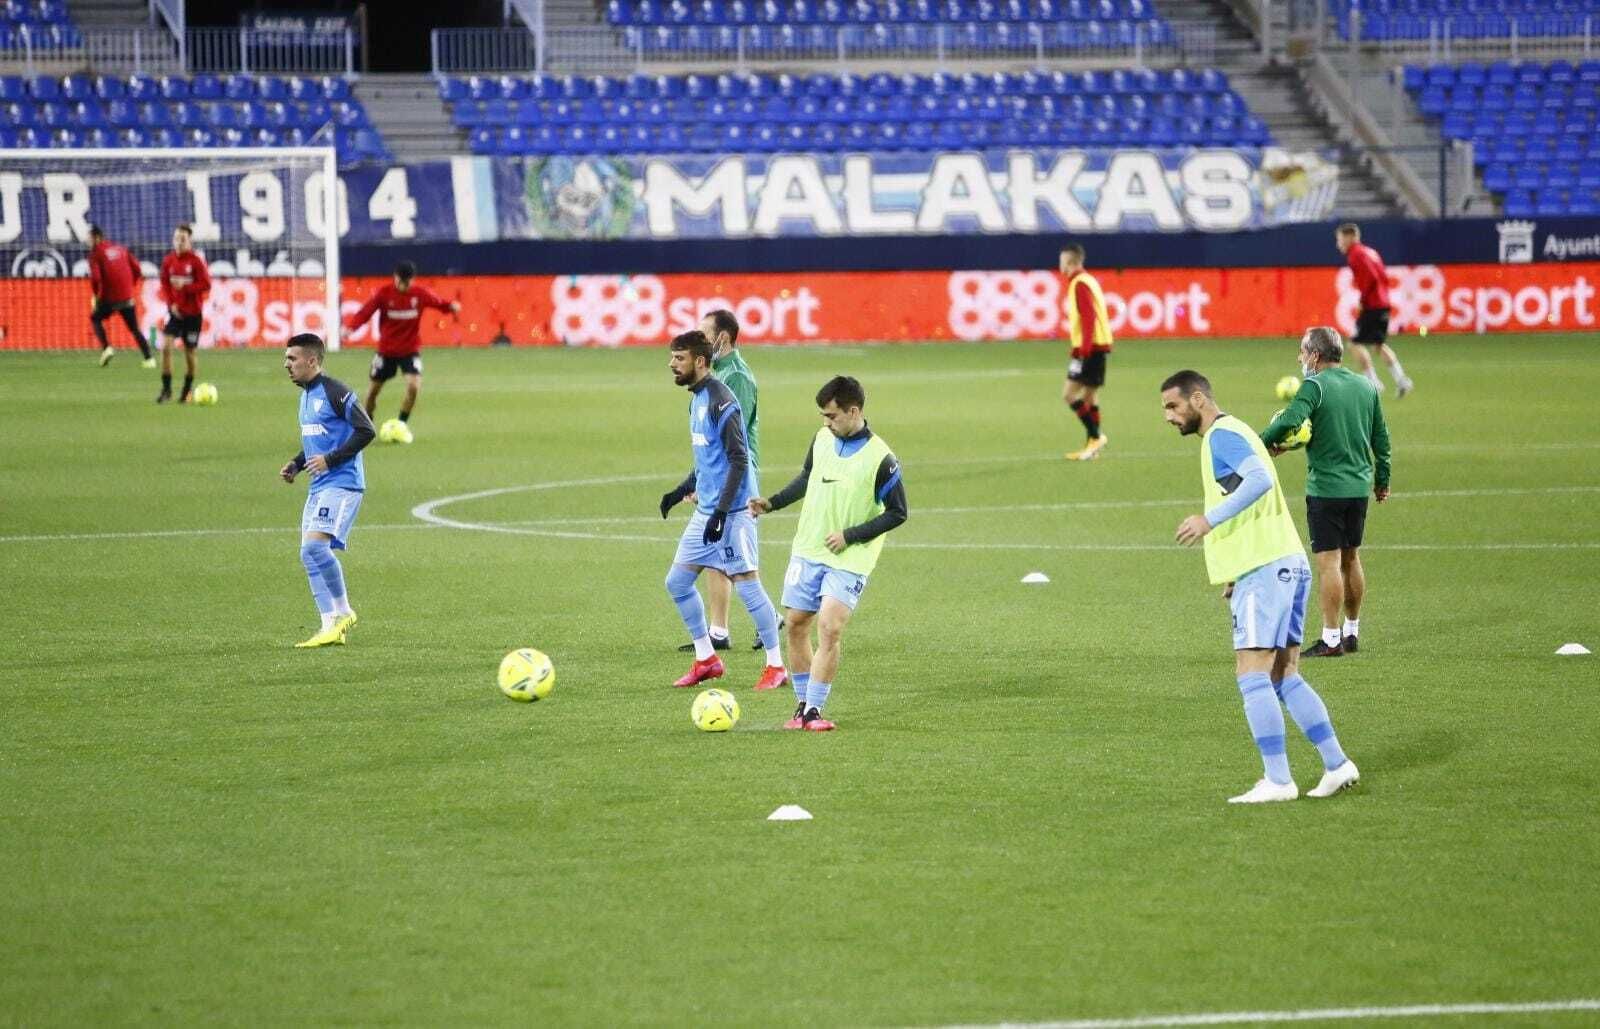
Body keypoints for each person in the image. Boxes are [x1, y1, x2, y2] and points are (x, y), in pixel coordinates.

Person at [1161, 369, 1360, 803]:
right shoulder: (1236, 431)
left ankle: (1277, 780)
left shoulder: (1221, 436)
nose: (1168, 417)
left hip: (1266, 569)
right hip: (1284, 562)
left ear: (1198, 400)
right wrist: (1234, 568)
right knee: (1283, 674)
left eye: (1172, 406)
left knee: (1251, 674)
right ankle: (1336, 763)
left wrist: (1207, 521)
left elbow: (1260, 481)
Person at [748, 375, 907, 731]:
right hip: (808, 547)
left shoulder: (882, 458)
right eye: (823, 415)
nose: (826, 422)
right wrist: (771, 503)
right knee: (796, 624)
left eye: (832, 416)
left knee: (830, 627)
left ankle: (814, 711)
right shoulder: (822, 439)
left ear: (853, 411)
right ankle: (801, 706)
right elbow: (807, 477)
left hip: (851, 556)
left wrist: (851, 535)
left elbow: (898, 512)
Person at [658, 330, 787, 692]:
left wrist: (721, 513)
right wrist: (680, 490)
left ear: (700, 361)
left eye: (679, 358)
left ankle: (776, 666)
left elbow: (738, 459)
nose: (672, 364)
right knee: (677, 582)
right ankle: (706, 659)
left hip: (732, 513)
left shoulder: (722, 401)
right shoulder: (696, 400)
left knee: (747, 585)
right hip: (709, 512)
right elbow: (706, 458)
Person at [1261, 326, 1392, 658]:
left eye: (1303, 351)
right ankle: (1352, 632)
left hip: (1326, 489)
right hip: (1358, 487)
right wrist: (1382, 480)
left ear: (1315, 355)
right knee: (1352, 557)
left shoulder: (1314, 386)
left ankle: (1330, 639)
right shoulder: (1366, 386)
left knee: (1329, 563)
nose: (1300, 358)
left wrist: (1260, 443)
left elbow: (1290, 420)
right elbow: (1381, 438)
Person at [279, 333, 375, 649]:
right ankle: (329, 626)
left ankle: (344, 612)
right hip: (320, 486)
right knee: (308, 555)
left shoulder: (336, 392)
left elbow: (366, 430)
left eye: (292, 359)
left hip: (343, 483)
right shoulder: (305, 396)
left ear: (312, 360)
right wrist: (296, 463)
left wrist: (331, 460)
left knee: (314, 550)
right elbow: (317, 440)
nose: (287, 365)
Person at [344, 260, 460, 443]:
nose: (403, 285)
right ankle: (365, 429)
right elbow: (366, 311)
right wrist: (351, 327)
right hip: (386, 351)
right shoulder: (384, 294)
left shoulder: (419, 294)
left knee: (414, 386)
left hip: (409, 350)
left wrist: (451, 307)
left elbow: (438, 303)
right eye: (400, 281)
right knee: (373, 391)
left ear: (412, 280)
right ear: (395, 277)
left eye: (407, 282)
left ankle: (401, 425)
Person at [1336, 223, 1414, 398]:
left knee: (1354, 344)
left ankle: (1373, 383)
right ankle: (1402, 380)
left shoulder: (1355, 255)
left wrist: (1363, 300)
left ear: (1350, 237)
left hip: (1372, 305)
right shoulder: (1371, 252)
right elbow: (1382, 277)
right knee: (1378, 345)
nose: (1338, 244)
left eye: (1340, 239)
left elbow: (1370, 278)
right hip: (1384, 303)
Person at [1058, 244, 1112, 461]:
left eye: (1061, 260)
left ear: (1070, 262)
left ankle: (1096, 436)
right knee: (1090, 396)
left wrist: (1084, 349)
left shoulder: (1079, 283)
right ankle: (1093, 446)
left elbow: (1088, 317)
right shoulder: (1087, 280)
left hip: (1089, 348)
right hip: (1096, 346)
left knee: (1069, 395)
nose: (1060, 264)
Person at [156, 223, 212, 404]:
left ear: (189, 241)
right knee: (165, 347)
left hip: (193, 315)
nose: (179, 242)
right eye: (177, 238)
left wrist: (186, 287)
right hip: (175, 314)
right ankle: (166, 390)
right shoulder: (168, 261)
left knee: (190, 354)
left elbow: (206, 285)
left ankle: (186, 390)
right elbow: (165, 285)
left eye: (183, 239)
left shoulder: (196, 261)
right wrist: (171, 304)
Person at [87, 225, 153, 368]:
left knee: (95, 318)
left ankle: (106, 348)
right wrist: (130, 287)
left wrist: (97, 297)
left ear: (97, 238)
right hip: (127, 297)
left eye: (90, 239)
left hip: (108, 298)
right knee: (135, 328)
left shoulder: (96, 253)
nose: (88, 242)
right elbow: (137, 269)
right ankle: (149, 359)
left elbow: (96, 279)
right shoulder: (121, 249)